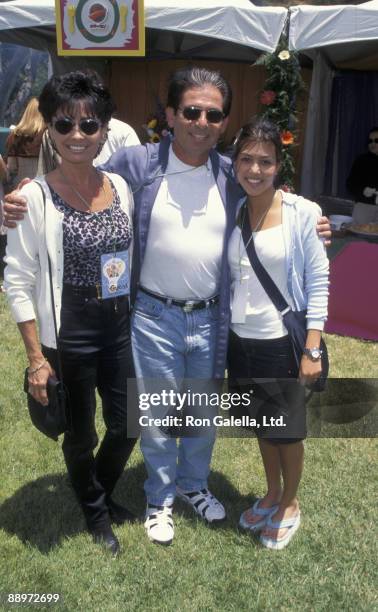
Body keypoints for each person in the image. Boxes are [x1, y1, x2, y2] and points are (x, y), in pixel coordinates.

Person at [2, 66, 331, 547]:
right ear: (172, 114)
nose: (201, 122)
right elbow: (79, 178)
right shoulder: (138, 164)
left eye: (212, 114)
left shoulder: (231, 173)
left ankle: (193, 484)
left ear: (223, 121)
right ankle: (159, 497)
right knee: (154, 413)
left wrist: (312, 217)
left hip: (212, 316)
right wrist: (14, 204)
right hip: (152, 316)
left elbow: (271, 192)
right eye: (191, 111)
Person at [4, 71, 136, 556]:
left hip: (118, 329)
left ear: (105, 128)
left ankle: (93, 488)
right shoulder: (31, 198)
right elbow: (17, 279)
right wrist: (37, 358)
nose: (77, 135)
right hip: (69, 335)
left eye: (90, 124)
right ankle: (96, 511)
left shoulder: (121, 186)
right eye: (65, 124)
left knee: (127, 425)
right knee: (80, 434)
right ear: (51, 131)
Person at [227, 117, 329, 550]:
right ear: (234, 164)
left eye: (264, 162)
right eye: (246, 159)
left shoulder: (302, 212)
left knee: (286, 429)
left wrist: (313, 348)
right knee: (260, 425)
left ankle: (290, 502)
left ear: (278, 165)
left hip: (280, 341)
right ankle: (271, 492)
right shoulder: (232, 208)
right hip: (238, 340)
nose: (254, 169)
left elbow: (318, 280)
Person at [37, 116, 140, 174]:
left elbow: (137, 171)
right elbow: (45, 171)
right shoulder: (52, 133)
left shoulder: (123, 131)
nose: (77, 137)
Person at [5, 97, 46, 191]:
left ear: (27, 112)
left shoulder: (15, 136)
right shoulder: (52, 135)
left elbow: (12, 169)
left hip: (22, 187)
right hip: (46, 188)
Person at [346, 127, 378, 205]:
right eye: (370, 141)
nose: (373, 143)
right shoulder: (361, 160)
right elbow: (350, 185)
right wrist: (363, 190)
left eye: (377, 141)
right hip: (364, 204)